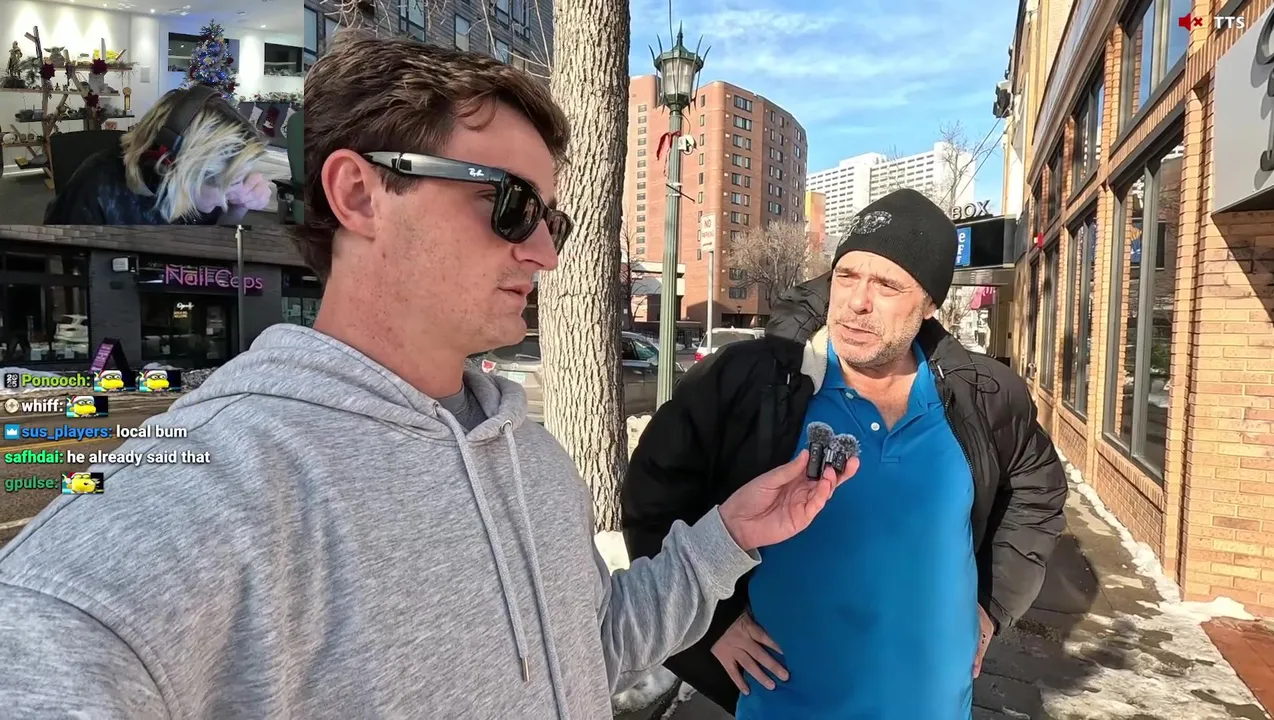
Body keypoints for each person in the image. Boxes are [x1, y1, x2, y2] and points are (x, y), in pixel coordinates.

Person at [0, 35, 860, 718]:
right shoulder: (207, 483)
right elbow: (51, 641)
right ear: (359, 195)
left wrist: (727, 537)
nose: (546, 250)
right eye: (509, 204)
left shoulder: (535, 462)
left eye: (552, 219)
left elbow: (588, 650)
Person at [622, 189, 1069, 718]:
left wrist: (992, 604)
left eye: (887, 285)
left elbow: (1036, 492)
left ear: (930, 303)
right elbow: (653, 500)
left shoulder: (982, 394)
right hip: (785, 705)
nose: (857, 301)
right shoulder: (753, 382)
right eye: (847, 275)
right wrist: (710, 625)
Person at [43, 86, 272, 224]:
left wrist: (239, 208)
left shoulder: (204, 183)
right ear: (172, 170)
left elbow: (212, 248)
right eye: (232, 183)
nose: (235, 191)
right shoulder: (94, 191)